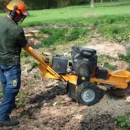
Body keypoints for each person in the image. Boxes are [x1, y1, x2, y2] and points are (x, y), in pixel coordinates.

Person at [0, 0, 33, 127]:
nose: (22, 18)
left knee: (5, 83)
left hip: (0, 61)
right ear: (15, 13)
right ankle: (3, 117)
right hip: (11, 64)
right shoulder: (16, 30)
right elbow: (25, 45)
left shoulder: (0, 21)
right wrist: (30, 42)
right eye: (22, 15)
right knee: (12, 88)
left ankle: (8, 103)